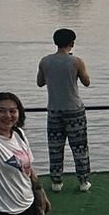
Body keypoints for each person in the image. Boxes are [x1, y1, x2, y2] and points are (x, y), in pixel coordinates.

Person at [37, 29, 93, 193]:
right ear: (72, 43)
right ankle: (83, 181)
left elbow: (40, 82)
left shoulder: (45, 61)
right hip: (74, 110)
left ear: (55, 42)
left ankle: (56, 181)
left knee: (55, 147)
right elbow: (87, 82)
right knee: (79, 147)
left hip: (54, 109)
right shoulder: (76, 61)